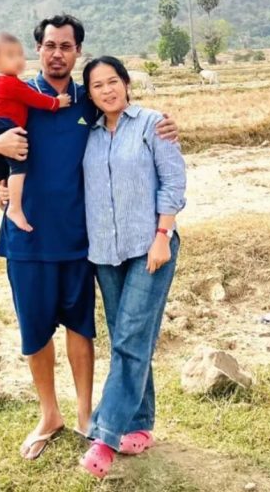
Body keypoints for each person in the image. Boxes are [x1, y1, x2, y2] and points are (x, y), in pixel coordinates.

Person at [0, 15, 179, 461]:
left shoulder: (88, 100)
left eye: (66, 46)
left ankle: (86, 415)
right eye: (50, 45)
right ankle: (49, 415)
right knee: (35, 332)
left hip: (81, 241)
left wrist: (165, 126)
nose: (57, 53)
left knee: (81, 328)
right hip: (25, 239)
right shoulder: (19, 92)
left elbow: (128, 116)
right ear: (38, 50)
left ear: (77, 51)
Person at [77, 56, 186, 479]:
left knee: (129, 338)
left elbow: (173, 181)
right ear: (90, 95)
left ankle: (104, 437)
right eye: (97, 86)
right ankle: (139, 424)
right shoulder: (87, 136)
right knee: (129, 338)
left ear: (126, 83)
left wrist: (162, 234)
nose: (107, 90)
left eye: (113, 81)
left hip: (149, 246)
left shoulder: (153, 124)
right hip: (105, 252)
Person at [0, 32, 71, 232]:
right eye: (11, 56)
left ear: (77, 49)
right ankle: (14, 207)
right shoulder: (14, 84)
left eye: (20, 54)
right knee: (19, 164)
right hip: (5, 126)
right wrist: (57, 103)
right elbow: (35, 99)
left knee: (2, 164)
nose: (19, 60)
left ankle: (1, 191)